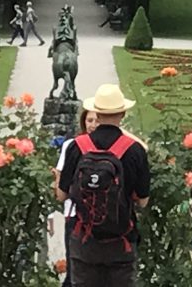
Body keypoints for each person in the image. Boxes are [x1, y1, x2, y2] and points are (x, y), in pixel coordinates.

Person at [57, 84, 150, 287]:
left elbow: (62, 195)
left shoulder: (76, 147)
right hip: (120, 240)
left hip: (83, 240)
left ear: (96, 114)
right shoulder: (134, 150)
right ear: (123, 113)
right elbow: (143, 201)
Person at [53, 109, 99, 287]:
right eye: (89, 120)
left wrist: (57, 178)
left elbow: (61, 193)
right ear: (83, 122)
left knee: (75, 272)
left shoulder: (72, 145)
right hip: (102, 216)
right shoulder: (116, 145)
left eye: (97, 120)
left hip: (76, 215)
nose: (93, 125)